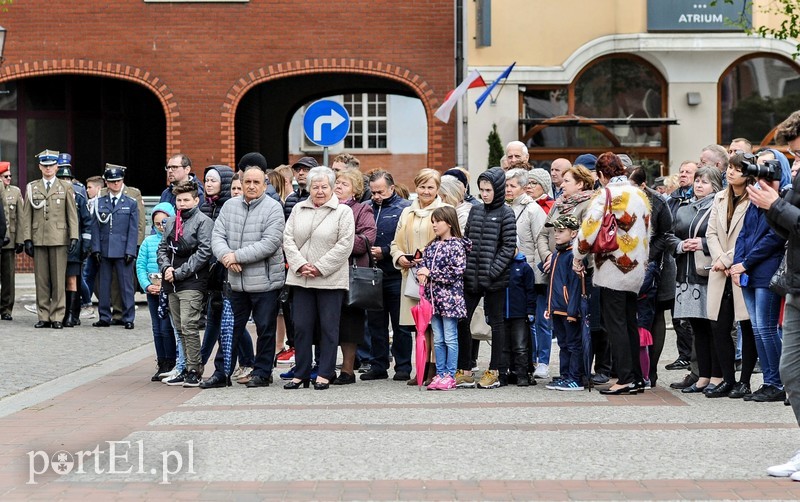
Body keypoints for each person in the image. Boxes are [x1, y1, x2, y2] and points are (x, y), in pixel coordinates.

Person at [202, 166, 286, 389]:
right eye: (247, 181)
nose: (250, 186)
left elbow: (270, 243)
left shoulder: (273, 208)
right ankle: (222, 372)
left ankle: (262, 372)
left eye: (256, 182)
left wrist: (236, 255)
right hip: (235, 281)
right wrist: (226, 257)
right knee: (229, 329)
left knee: (265, 329)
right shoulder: (229, 206)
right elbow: (217, 235)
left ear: (264, 185)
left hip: (265, 282)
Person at [573, 152, 650, 395]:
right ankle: (637, 376)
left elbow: (589, 229)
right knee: (629, 321)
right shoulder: (640, 194)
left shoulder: (606, 194)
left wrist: (578, 255)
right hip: (636, 266)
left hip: (612, 265)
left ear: (600, 175)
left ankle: (625, 378)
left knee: (614, 323)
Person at [751, 110, 800, 479]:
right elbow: (788, 229)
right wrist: (769, 204)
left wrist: (776, 205)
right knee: (791, 371)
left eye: (798, 153)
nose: (795, 160)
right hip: (796, 283)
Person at [283, 166, 354, 390]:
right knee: (301, 326)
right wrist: (300, 264)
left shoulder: (343, 212)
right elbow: (287, 239)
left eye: (324, 186)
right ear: (309, 188)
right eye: (315, 187)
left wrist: (319, 267)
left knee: (328, 327)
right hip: (301, 278)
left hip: (329, 280)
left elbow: (345, 245)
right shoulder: (298, 209)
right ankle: (301, 373)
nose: (320, 191)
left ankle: (325, 372)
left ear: (332, 188)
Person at [730, 149, 791, 402]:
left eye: (768, 164)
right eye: (760, 163)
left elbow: (774, 238)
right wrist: (737, 263)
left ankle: (777, 383)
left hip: (766, 269)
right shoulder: (756, 194)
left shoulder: (783, 196)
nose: (762, 168)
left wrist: (745, 263)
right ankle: (768, 380)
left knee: (766, 329)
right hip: (749, 269)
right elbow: (744, 232)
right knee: (756, 329)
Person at [457, 167, 517, 389]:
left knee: (496, 322)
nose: (484, 194)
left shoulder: (506, 213)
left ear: (498, 189)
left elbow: (508, 246)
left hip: (495, 278)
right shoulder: (475, 211)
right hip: (471, 275)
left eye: (489, 189)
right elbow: (467, 240)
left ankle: (495, 370)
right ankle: (465, 369)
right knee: (462, 319)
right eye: (482, 189)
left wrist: (492, 272)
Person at [537, 164, 599, 380]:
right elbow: (544, 234)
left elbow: (587, 236)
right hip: (555, 264)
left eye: (567, 181)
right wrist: (548, 256)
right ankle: (566, 374)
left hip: (576, 267)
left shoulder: (590, 204)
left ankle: (577, 374)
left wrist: (575, 257)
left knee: (574, 326)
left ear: (580, 184)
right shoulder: (559, 204)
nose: (561, 185)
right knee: (562, 331)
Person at [198, 164, 256, 384]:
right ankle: (209, 364)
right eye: (207, 179)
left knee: (231, 321)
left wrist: (232, 257)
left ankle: (244, 363)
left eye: (214, 180)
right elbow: (214, 238)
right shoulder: (207, 206)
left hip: (233, 269)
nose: (235, 192)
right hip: (216, 269)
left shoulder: (230, 208)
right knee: (217, 319)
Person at [703, 152, 754, 398]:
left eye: (737, 169)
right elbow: (710, 232)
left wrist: (726, 259)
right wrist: (719, 259)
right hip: (720, 269)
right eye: (730, 168)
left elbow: (749, 237)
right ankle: (727, 379)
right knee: (719, 326)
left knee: (746, 325)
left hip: (741, 268)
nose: (730, 172)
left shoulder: (754, 199)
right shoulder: (720, 197)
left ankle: (744, 381)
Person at [390, 168, 448, 385]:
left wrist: (430, 263)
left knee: (434, 324)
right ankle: (421, 367)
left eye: (430, 187)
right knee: (418, 324)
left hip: (434, 276)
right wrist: (400, 258)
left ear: (438, 189)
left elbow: (449, 241)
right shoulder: (407, 212)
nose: (425, 191)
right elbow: (396, 242)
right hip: (412, 275)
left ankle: (434, 367)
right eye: (422, 186)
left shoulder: (444, 209)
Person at [157, 180, 214, 388]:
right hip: (170, 281)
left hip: (192, 281)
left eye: (186, 200)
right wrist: (166, 269)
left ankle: (194, 369)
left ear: (196, 200)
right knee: (179, 327)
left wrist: (180, 272)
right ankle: (183, 367)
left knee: (189, 325)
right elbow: (162, 248)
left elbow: (204, 253)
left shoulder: (203, 221)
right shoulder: (171, 221)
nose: (182, 203)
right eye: (179, 200)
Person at [361, 170, 412, 382]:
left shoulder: (405, 208)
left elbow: (407, 242)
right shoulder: (367, 208)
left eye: (380, 191)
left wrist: (386, 251)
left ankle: (403, 366)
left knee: (400, 324)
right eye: (373, 192)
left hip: (396, 273)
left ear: (391, 188)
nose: (376, 196)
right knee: (375, 323)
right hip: (372, 273)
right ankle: (378, 364)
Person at [22, 149, 79, 329]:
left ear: (56, 167)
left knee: (58, 280)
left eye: (51, 165)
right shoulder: (32, 187)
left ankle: (57, 316)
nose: (48, 169)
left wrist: (74, 236)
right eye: (45, 166)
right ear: (40, 166)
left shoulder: (66, 187)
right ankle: (43, 315)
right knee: (41, 280)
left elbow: (71, 214)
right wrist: (27, 239)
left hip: (59, 237)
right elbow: (27, 215)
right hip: (39, 237)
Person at [416, 206, 471, 391]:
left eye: (437, 221)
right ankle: (439, 373)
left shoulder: (456, 245)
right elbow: (423, 265)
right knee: (438, 339)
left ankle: (449, 374)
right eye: (432, 222)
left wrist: (430, 273)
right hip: (433, 301)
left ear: (448, 222)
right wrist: (421, 274)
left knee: (450, 337)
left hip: (450, 301)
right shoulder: (432, 245)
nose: (434, 225)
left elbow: (456, 272)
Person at [332, 168, 376, 385]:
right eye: (337, 182)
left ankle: (348, 370)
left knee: (350, 322)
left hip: (350, 273)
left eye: (345, 184)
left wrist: (336, 243)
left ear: (356, 190)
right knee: (327, 321)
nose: (338, 186)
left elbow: (366, 240)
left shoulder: (362, 210)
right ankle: (325, 366)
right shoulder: (325, 208)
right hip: (326, 274)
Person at [505, 168, 547, 377]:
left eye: (512, 186)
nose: (508, 189)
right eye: (506, 185)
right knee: (516, 319)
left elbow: (541, 240)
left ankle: (535, 361)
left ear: (523, 187)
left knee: (532, 320)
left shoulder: (533, 210)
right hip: (511, 272)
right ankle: (518, 362)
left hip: (530, 270)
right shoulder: (506, 207)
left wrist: (541, 274)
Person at [90, 165, 139, 329]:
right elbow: (95, 227)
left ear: (122, 181)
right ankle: (104, 316)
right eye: (112, 182)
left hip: (123, 249)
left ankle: (128, 317)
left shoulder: (130, 203)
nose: (115, 184)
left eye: (118, 181)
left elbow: (133, 229)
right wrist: (95, 248)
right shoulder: (99, 202)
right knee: (104, 285)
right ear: (106, 183)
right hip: (104, 248)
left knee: (126, 285)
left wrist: (131, 250)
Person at [543, 215, 585, 391]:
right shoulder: (556, 254)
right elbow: (553, 283)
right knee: (563, 344)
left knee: (574, 344)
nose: (556, 235)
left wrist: (572, 311)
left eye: (561, 231)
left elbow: (575, 286)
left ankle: (576, 377)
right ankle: (565, 375)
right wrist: (549, 307)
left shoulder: (572, 256)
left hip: (568, 309)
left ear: (574, 233)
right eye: (555, 231)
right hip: (557, 308)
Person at [137, 202, 177, 381]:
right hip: (153, 291)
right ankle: (161, 361)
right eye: (157, 223)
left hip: (168, 290)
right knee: (156, 328)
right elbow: (140, 266)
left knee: (167, 327)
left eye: (165, 222)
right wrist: (146, 285)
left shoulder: (175, 241)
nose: (161, 226)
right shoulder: (148, 242)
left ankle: (171, 361)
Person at [55, 154, 93, 328]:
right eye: (61, 178)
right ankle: (61, 312)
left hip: (74, 245)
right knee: (58, 280)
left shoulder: (79, 195)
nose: (65, 181)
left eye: (67, 178)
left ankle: (72, 314)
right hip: (56, 244)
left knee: (72, 280)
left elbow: (86, 222)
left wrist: (85, 244)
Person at [0, 162, 23, 321]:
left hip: (10, 240)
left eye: (10, 176)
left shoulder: (15, 192)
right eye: (5, 176)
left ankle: (6, 308)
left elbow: (21, 218)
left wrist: (20, 239)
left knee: (8, 277)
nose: (9, 179)